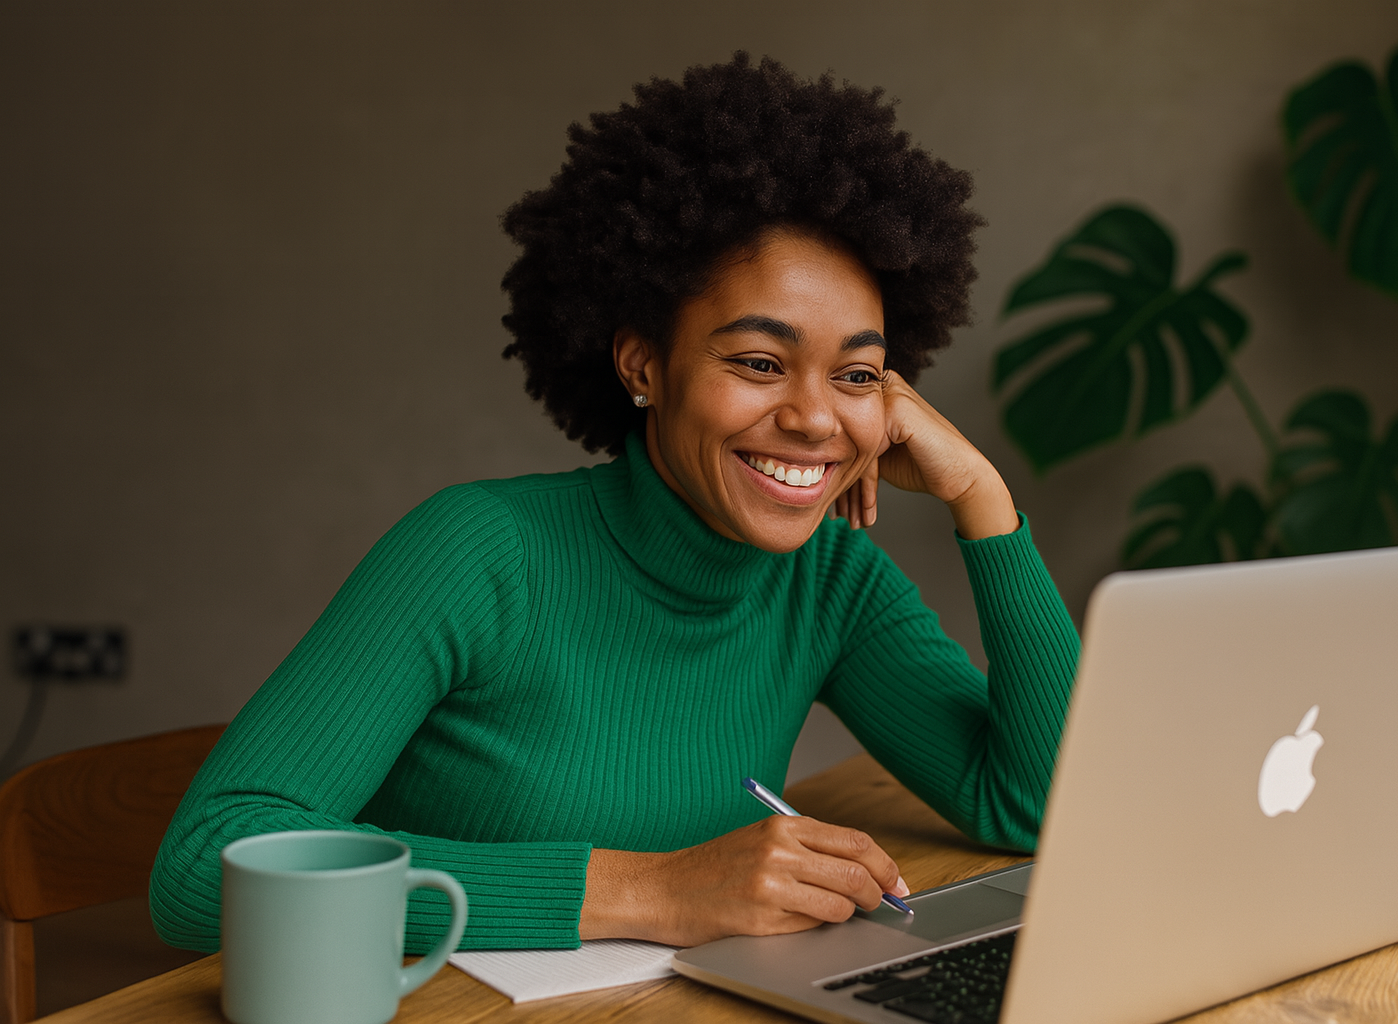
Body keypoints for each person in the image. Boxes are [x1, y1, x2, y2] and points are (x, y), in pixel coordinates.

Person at [150, 53, 1078, 954]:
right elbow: (205, 869)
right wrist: (652, 890)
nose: (812, 417)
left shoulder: (830, 582)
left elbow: (1037, 808)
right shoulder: (479, 552)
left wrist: (982, 499)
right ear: (644, 365)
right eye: (759, 362)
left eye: (858, 375)